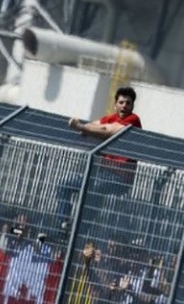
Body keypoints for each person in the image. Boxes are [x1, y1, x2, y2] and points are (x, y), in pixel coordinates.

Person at [56, 87, 142, 228]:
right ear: (115, 105)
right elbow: (94, 125)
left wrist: (80, 127)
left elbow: (107, 130)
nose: (124, 106)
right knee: (65, 184)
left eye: (128, 103)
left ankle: (81, 227)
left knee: (94, 187)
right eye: (121, 102)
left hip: (119, 178)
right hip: (101, 173)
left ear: (132, 106)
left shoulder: (133, 120)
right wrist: (86, 128)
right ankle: (63, 222)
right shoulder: (110, 118)